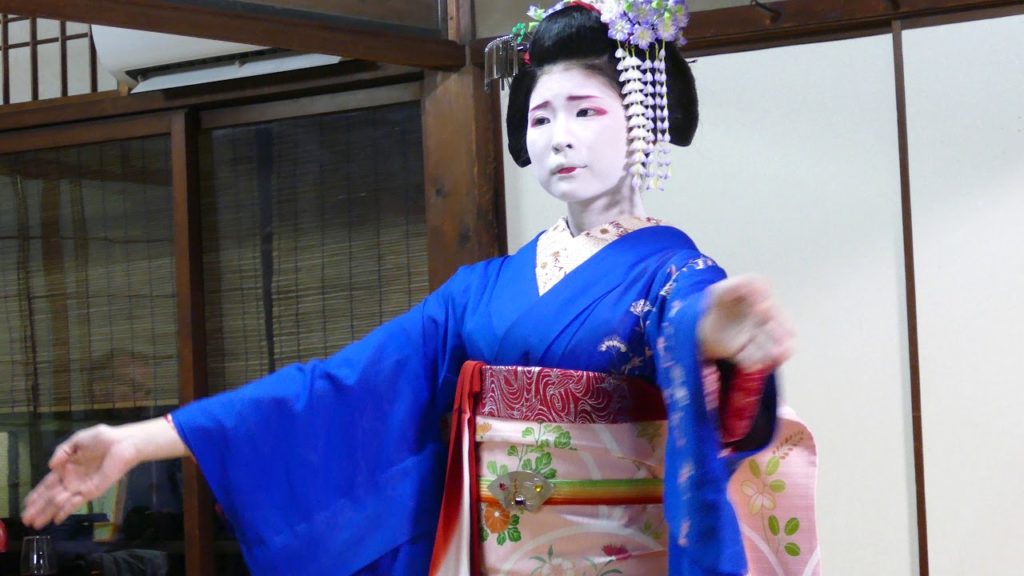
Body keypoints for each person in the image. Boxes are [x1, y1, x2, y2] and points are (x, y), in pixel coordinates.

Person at [22, 2, 816, 575]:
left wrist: (716, 333)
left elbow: (692, 326)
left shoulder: (670, 274)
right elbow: (335, 385)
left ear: (641, 117)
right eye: (541, 118)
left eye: (585, 110)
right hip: (481, 555)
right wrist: (139, 441)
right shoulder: (481, 292)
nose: (560, 136)